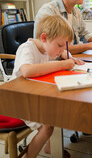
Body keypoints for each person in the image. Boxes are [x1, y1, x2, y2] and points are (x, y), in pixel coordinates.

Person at [12, 14, 76, 158]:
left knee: (57, 110)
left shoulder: (45, 48)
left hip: (33, 94)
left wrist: (65, 54)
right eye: (59, 45)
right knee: (47, 128)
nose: (61, 50)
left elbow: (58, 51)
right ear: (43, 38)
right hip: (18, 100)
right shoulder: (27, 48)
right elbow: (27, 71)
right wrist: (61, 63)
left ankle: (50, 147)